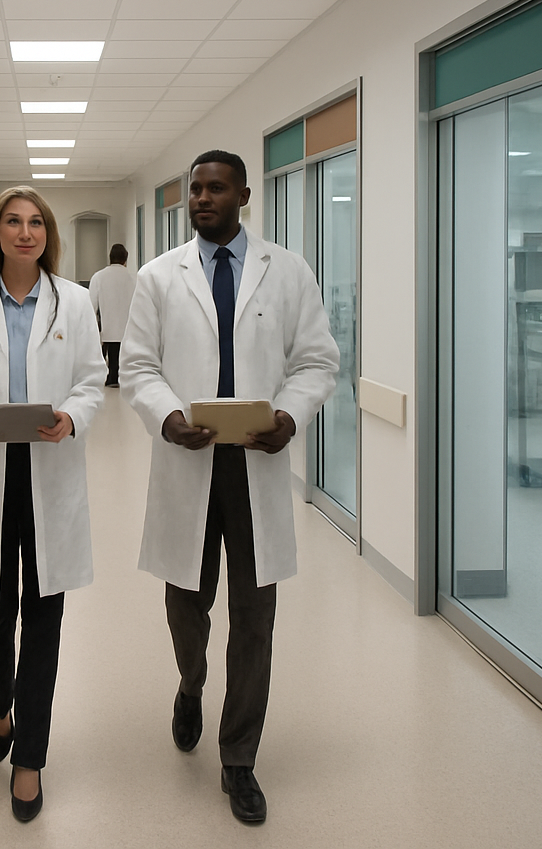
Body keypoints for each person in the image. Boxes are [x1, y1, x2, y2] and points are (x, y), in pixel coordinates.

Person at [120, 150, 339, 825]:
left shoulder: (288, 272)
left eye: (216, 188)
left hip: (254, 466)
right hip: (189, 462)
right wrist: (168, 416)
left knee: (254, 617)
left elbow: (317, 361)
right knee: (186, 605)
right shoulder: (159, 277)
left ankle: (239, 757)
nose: (202, 198)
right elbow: (138, 366)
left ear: (244, 194)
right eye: (196, 189)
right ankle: (191, 683)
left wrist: (289, 416)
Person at [0, 186, 105, 822]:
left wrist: (72, 417)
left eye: (36, 222)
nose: (26, 232)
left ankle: (30, 759)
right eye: (13, 221)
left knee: (45, 617)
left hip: (50, 472)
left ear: (47, 235)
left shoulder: (74, 302)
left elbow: (92, 379)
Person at [88, 243, 137, 387]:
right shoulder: (134, 278)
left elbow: (91, 305)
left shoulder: (99, 277)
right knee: (125, 357)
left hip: (107, 328)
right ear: (125, 260)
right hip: (129, 328)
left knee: (111, 355)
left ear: (110, 258)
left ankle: (111, 377)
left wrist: (94, 328)